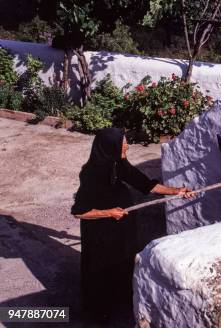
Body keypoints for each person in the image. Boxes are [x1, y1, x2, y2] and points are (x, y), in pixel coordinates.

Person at [71, 127, 195, 322]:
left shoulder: (119, 164)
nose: (127, 145)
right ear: (110, 147)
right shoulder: (91, 175)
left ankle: (122, 300)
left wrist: (177, 191)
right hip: (101, 234)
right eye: (123, 142)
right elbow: (80, 212)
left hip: (122, 230)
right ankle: (99, 313)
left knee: (124, 262)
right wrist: (108, 212)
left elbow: (145, 184)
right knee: (102, 271)